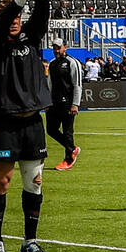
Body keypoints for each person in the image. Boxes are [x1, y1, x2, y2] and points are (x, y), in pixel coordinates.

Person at [0, 0, 53, 252]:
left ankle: (30, 242)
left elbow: (41, 19)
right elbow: (1, 25)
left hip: (32, 122)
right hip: (5, 122)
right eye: (11, 17)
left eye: (18, 18)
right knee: (1, 183)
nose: (15, 22)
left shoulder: (30, 38)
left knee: (34, 183)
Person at [47, 38, 82, 171]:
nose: (56, 50)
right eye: (54, 47)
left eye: (58, 47)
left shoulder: (72, 62)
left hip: (68, 102)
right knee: (51, 130)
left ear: (65, 47)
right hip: (54, 103)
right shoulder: (52, 63)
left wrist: (75, 104)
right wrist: (48, 102)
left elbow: (77, 84)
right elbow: (49, 84)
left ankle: (68, 159)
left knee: (68, 132)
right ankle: (72, 149)